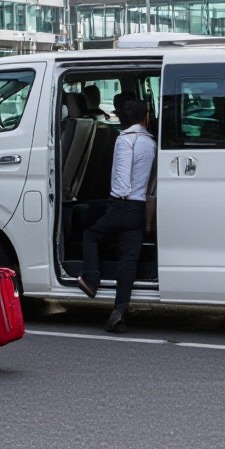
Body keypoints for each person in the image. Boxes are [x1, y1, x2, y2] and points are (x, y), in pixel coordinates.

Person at [76, 98, 156, 333]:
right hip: (139, 209)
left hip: (123, 206)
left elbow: (121, 181)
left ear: (124, 118)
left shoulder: (125, 141)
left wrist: (114, 204)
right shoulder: (151, 142)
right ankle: (118, 312)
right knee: (128, 261)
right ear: (146, 117)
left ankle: (91, 279)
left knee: (91, 234)